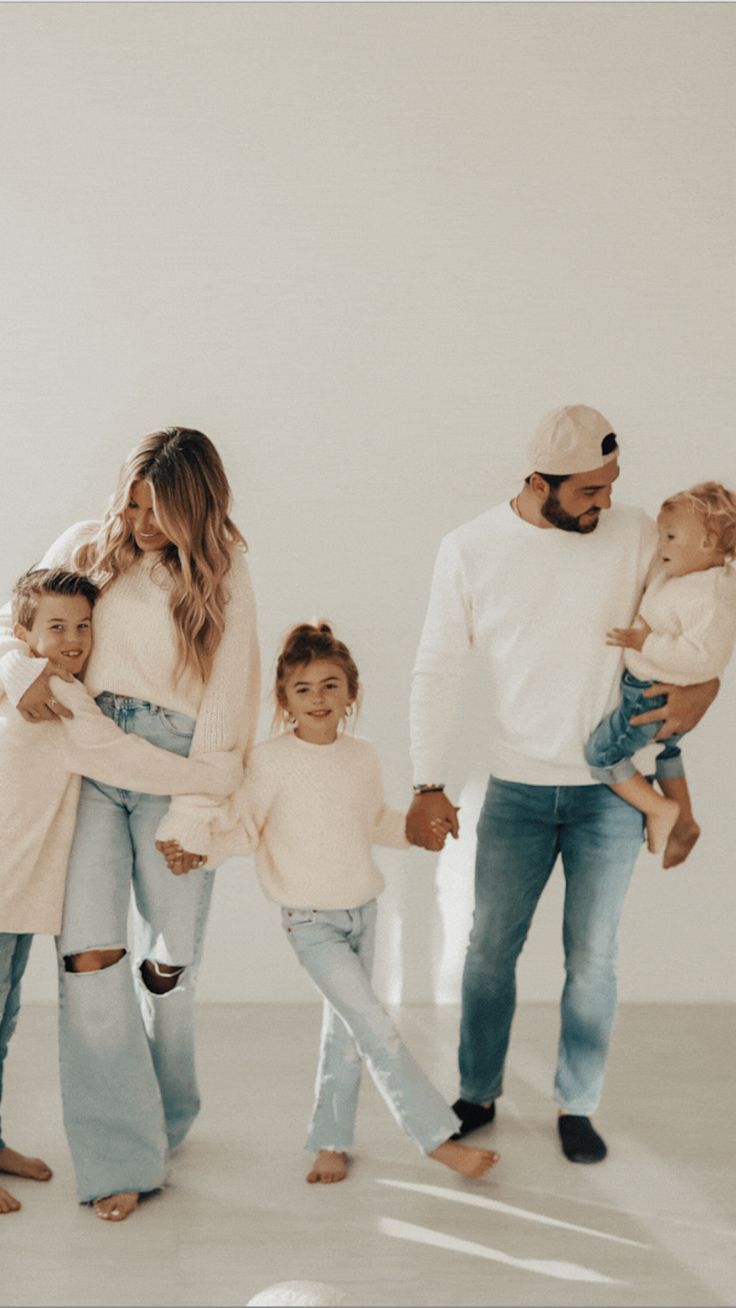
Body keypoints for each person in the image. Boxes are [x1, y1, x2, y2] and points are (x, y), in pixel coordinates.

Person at [407, 405, 719, 1163]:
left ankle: (578, 1105)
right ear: (540, 483)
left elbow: (701, 615)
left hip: (609, 795)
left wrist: (704, 692)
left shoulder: (641, 532)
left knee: (595, 957)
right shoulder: (471, 549)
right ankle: (477, 1091)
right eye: (588, 491)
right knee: (487, 952)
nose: (606, 503)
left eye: (611, 485)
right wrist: (427, 782)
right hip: (514, 788)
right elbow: (438, 668)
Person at [0, 427, 259, 1221]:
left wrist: (196, 809)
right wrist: (21, 676)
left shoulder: (225, 571)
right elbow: (20, 620)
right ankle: (120, 1156)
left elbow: (232, 693)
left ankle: (166, 1115)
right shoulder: (87, 544)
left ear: (197, 503)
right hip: (90, 759)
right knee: (90, 960)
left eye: (162, 506)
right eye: (135, 501)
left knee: (169, 968)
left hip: (176, 769)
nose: (144, 520)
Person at [160, 622, 499, 1184]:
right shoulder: (269, 761)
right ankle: (436, 1137)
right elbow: (244, 829)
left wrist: (419, 833)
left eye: (330, 685)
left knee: (346, 1031)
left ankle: (331, 1139)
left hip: (363, 912)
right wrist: (200, 849)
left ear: (351, 693)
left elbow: (373, 823)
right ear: (283, 699)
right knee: (374, 1024)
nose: (318, 698)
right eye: (303, 688)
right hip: (310, 921)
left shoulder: (361, 756)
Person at [586, 482, 736, 863]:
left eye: (670, 537)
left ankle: (660, 809)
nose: (661, 545)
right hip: (653, 691)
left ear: (706, 543)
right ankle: (684, 822)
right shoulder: (686, 573)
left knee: (602, 754)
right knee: (666, 752)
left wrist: (644, 644)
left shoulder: (710, 596)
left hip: (652, 696)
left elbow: (705, 658)